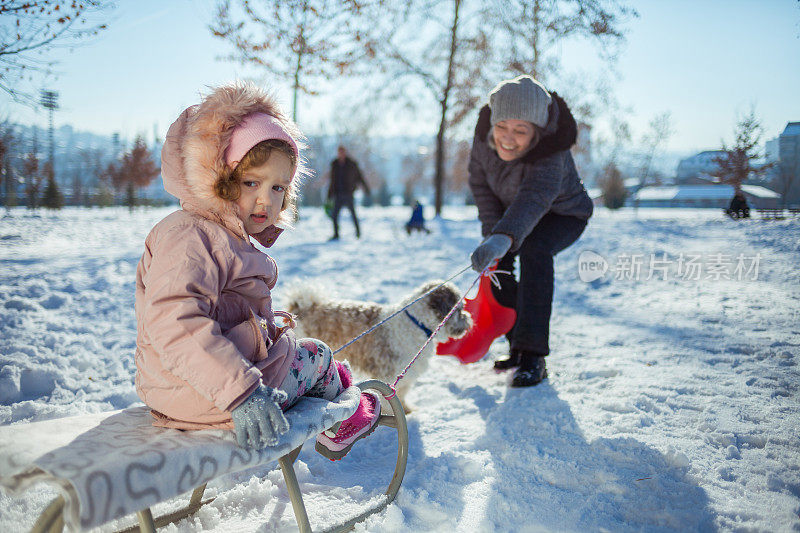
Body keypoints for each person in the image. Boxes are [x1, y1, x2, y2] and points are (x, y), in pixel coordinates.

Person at [134, 82, 380, 458]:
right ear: (218, 177)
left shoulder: (217, 234)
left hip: (187, 390)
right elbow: (176, 325)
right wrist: (241, 391)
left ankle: (333, 390)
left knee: (293, 352)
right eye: (252, 182)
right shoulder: (187, 235)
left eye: (279, 187)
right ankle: (346, 418)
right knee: (316, 356)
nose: (267, 200)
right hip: (214, 394)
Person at [468, 75, 594, 388]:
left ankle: (533, 356)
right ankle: (517, 346)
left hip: (562, 215)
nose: (507, 138)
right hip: (513, 217)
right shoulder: (483, 140)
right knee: (500, 273)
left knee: (535, 251)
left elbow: (535, 197)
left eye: (520, 130)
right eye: (502, 127)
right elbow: (481, 187)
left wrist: (502, 238)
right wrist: (492, 238)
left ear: (536, 132)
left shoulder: (554, 152)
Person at [328, 145, 370, 239]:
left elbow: (360, 177)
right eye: (339, 152)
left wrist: (366, 188)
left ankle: (358, 232)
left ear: (345, 152)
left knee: (353, 214)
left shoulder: (352, 164)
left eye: (342, 152)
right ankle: (336, 234)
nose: (341, 154)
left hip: (348, 194)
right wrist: (329, 194)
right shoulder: (334, 164)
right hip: (338, 194)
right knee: (334, 215)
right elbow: (332, 180)